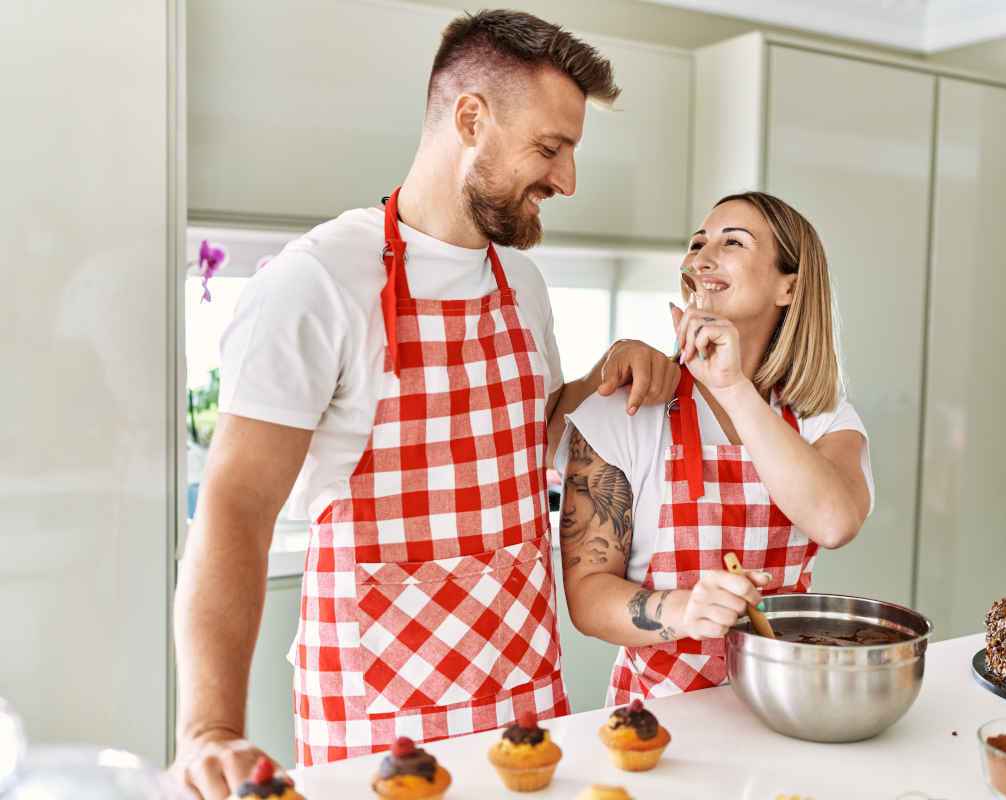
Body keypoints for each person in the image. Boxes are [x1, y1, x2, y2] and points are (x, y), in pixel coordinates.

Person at [170, 10, 680, 798]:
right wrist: (210, 730)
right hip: (382, 712)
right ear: (471, 119)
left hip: (522, 688)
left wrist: (605, 380)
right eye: (551, 148)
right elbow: (236, 508)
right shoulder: (318, 285)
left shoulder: (523, 285)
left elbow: (524, 439)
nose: (568, 180)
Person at [558, 191, 875, 703]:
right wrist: (684, 610)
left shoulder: (821, 415)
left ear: (789, 287)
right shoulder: (628, 409)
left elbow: (834, 522)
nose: (700, 259)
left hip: (785, 707)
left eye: (732, 243)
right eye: (698, 243)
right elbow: (588, 596)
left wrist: (732, 389)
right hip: (657, 724)